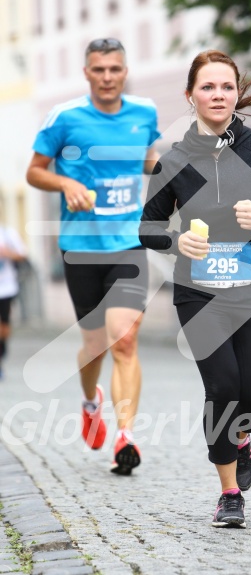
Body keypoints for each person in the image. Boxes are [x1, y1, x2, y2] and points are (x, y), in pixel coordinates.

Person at [139, 50, 251, 528]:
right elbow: (147, 228)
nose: (218, 95)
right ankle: (229, 493)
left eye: (226, 87)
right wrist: (177, 240)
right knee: (223, 386)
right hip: (198, 291)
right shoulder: (173, 160)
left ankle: (240, 438)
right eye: (208, 87)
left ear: (237, 93)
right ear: (190, 95)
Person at [26, 38, 160, 474]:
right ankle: (90, 402)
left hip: (128, 242)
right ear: (86, 72)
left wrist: (171, 169)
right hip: (81, 247)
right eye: (99, 69)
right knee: (94, 345)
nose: (107, 77)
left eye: (114, 69)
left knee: (125, 338)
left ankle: (126, 434)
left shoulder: (144, 113)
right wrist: (65, 185)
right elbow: (35, 171)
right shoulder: (64, 118)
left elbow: (146, 158)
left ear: (125, 72)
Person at [0, 222, 28, 378]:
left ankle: (2, 350)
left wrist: (7, 254)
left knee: (4, 326)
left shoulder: (7, 233)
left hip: (6, 288)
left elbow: (23, 254)